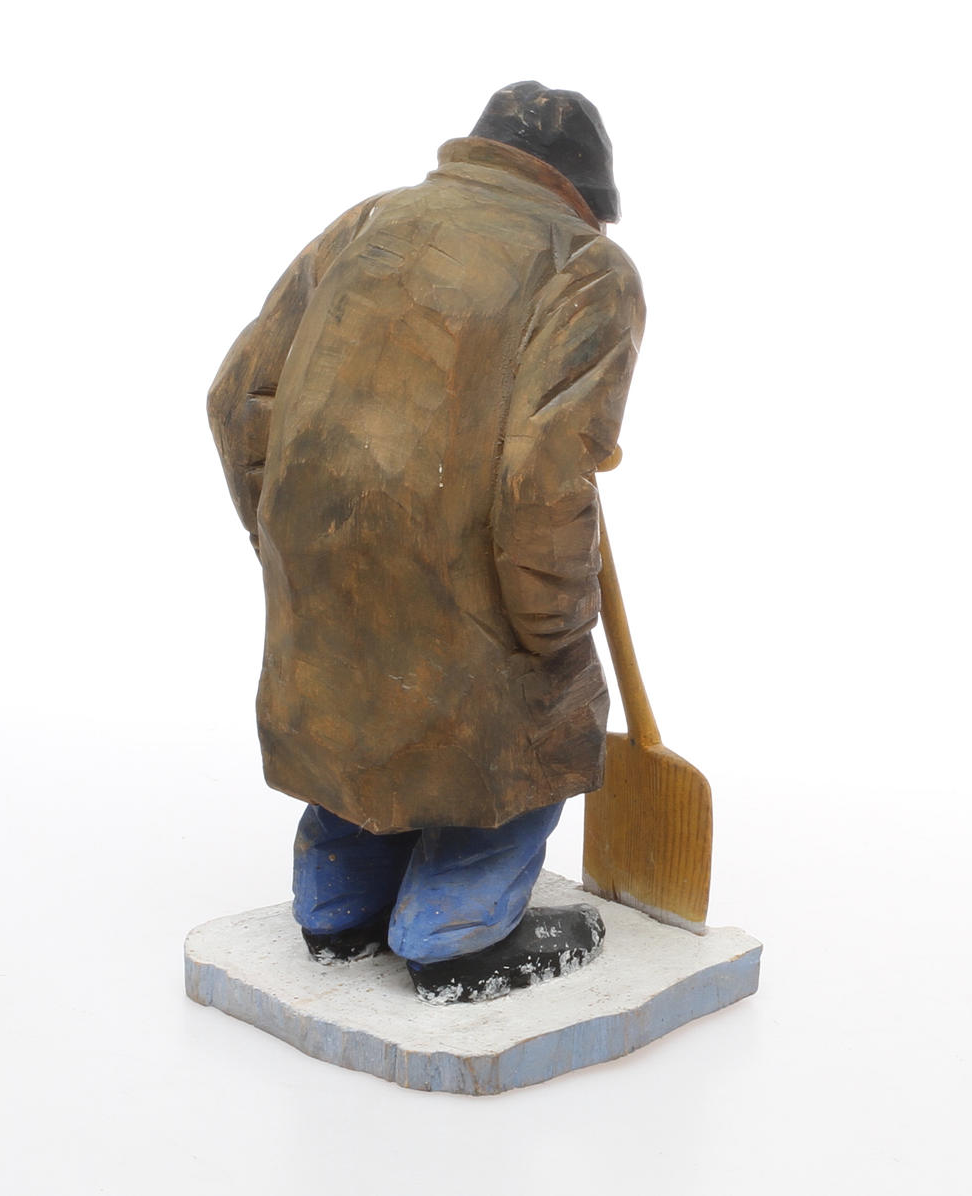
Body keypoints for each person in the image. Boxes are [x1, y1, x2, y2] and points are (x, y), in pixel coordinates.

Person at [207, 81, 645, 1002]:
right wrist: (557, 631)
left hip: (323, 564)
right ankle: (453, 935)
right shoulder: (586, 265)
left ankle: (337, 908)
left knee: (356, 706)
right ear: (589, 197)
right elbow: (542, 480)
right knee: (531, 712)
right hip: (463, 582)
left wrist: (289, 538)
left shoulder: (370, 221)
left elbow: (238, 394)